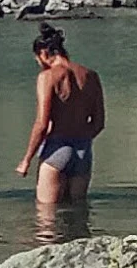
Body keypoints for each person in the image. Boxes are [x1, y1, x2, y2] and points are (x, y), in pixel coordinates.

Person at [16, 22, 104, 225]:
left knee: (46, 219)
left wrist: (26, 160)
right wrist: (80, 140)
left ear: (44, 53)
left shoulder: (47, 77)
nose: (40, 64)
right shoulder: (90, 76)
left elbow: (41, 123)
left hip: (57, 149)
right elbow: (99, 123)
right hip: (83, 150)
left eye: (38, 59)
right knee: (79, 218)